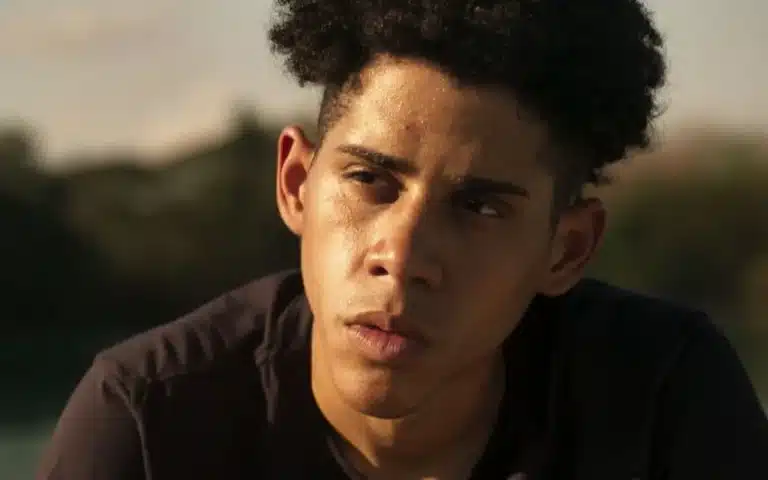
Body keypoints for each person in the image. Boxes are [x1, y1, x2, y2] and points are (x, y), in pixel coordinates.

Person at [37, 1, 768, 479]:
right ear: (296, 183)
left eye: (479, 207)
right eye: (370, 181)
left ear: (566, 249)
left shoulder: (664, 402)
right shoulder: (149, 425)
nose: (404, 256)